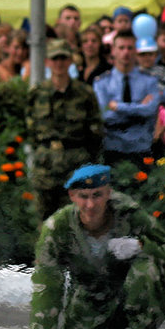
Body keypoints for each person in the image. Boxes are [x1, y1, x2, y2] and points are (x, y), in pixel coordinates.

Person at [26, 164, 165, 329]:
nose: (90, 205)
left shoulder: (129, 214)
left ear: (108, 193)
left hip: (131, 291)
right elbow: (46, 288)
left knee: (146, 270)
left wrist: (141, 246)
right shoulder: (58, 229)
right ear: (72, 196)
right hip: (92, 301)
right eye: (83, 196)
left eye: (97, 195)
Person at [26, 40, 104, 219]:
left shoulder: (84, 93)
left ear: (70, 61)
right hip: (46, 166)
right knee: (43, 220)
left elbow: (95, 131)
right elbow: (31, 130)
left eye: (63, 58)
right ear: (47, 62)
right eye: (54, 59)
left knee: (76, 219)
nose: (59, 63)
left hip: (75, 164)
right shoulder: (37, 93)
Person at [93, 31, 159, 168]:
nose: (126, 52)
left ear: (136, 51)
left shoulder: (150, 81)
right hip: (113, 147)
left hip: (141, 147)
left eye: (130, 48)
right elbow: (105, 115)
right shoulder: (102, 83)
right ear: (113, 51)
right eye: (121, 48)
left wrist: (118, 107)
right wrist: (138, 108)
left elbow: (150, 110)